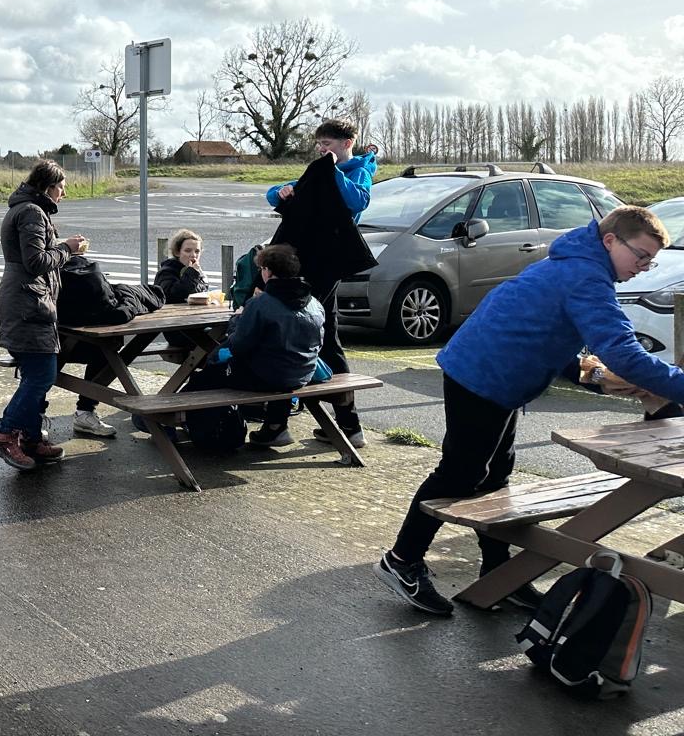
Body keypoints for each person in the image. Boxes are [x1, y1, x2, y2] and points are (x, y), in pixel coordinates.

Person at [376, 205, 684, 617]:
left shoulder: (578, 263)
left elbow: (545, 332)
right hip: (482, 373)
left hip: (495, 373)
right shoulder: (586, 275)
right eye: (641, 256)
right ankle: (401, 560)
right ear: (611, 240)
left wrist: (590, 376)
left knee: (496, 473)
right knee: (461, 473)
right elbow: (624, 353)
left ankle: (499, 574)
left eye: (651, 260)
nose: (644, 267)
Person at [266, 119, 377, 448]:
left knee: (293, 332)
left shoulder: (359, 171)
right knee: (326, 337)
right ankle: (348, 426)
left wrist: (332, 172)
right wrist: (280, 192)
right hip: (313, 263)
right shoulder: (319, 171)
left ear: (347, 143)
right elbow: (276, 193)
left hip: (328, 265)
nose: (321, 150)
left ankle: (277, 423)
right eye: (319, 145)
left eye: (327, 144)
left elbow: (358, 201)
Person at [0, 159, 86, 471]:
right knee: (42, 375)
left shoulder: (27, 209)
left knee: (37, 374)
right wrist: (67, 249)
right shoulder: (31, 212)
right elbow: (35, 262)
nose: (63, 194)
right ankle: (6, 435)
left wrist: (60, 248)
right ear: (48, 186)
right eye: (61, 188)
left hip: (28, 302)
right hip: (27, 305)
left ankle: (31, 438)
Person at [192, 244, 324, 447]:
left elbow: (239, 344)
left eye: (262, 269)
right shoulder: (314, 303)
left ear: (267, 271)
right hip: (303, 373)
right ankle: (275, 427)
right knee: (281, 366)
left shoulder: (262, 303)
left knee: (204, 377)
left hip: (267, 377)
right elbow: (319, 342)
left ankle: (166, 421)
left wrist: (237, 319)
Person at [55, 255, 165, 438]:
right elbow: (123, 312)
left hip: (62, 340)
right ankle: (43, 416)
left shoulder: (65, 284)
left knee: (105, 348)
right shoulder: (104, 294)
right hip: (46, 341)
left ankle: (81, 413)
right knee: (43, 360)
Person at [154, 229, 209, 303]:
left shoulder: (197, 272)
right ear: (177, 252)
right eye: (188, 251)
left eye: (197, 251)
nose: (193, 255)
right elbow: (174, 295)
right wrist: (192, 273)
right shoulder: (166, 272)